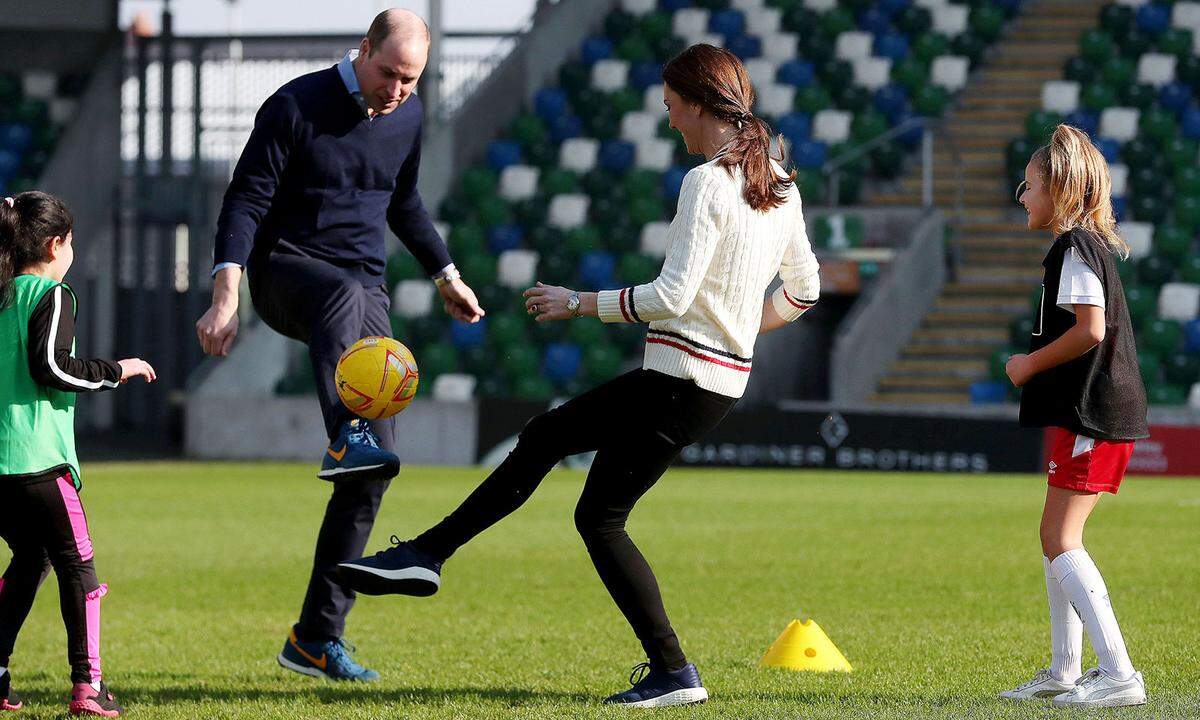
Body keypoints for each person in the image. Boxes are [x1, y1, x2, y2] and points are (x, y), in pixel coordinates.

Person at [337, 44, 821, 708]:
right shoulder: (781, 183)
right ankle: (671, 672)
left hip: (680, 379)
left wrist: (577, 304)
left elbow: (671, 298)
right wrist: (740, 331)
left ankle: (430, 553)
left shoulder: (707, 182)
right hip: (712, 387)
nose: (669, 119)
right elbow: (805, 292)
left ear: (697, 103)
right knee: (593, 507)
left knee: (552, 448)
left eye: (671, 107)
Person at [194, 9, 484, 681]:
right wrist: (226, 296)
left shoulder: (408, 116)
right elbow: (243, 202)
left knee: (377, 468)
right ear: (363, 50)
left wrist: (447, 274)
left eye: (411, 80)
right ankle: (342, 434)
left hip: (362, 290)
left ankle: (315, 637)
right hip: (286, 275)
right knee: (344, 307)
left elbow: (402, 202)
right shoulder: (295, 105)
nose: (397, 90)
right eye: (389, 73)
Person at [1000, 125, 1148, 708]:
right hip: (1090, 411)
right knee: (1053, 536)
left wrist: (1029, 364)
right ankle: (1065, 670)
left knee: (1061, 536)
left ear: (1059, 186)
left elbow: (1090, 329)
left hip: (1094, 412)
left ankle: (1119, 674)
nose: (1022, 194)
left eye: (1030, 183)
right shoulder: (1083, 246)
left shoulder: (1073, 247)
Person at [0, 191, 156, 718]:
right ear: (54, 243)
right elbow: (52, 367)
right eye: (71, 243)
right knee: (78, 568)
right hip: (37, 460)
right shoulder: (51, 292)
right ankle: (88, 687)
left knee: (32, 558)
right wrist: (118, 370)